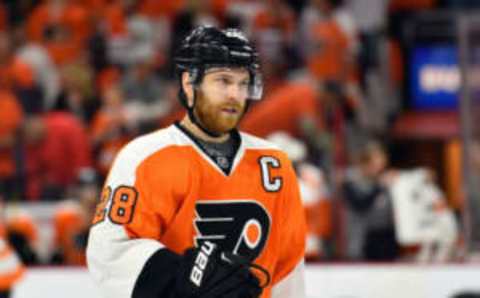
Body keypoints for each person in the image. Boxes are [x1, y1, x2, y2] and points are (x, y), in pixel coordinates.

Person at [87, 26, 307, 298]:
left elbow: (289, 267)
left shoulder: (274, 163)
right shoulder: (145, 157)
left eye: (242, 83)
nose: (235, 95)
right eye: (223, 81)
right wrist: (183, 276)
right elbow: (109, 252)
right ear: (189, 84)